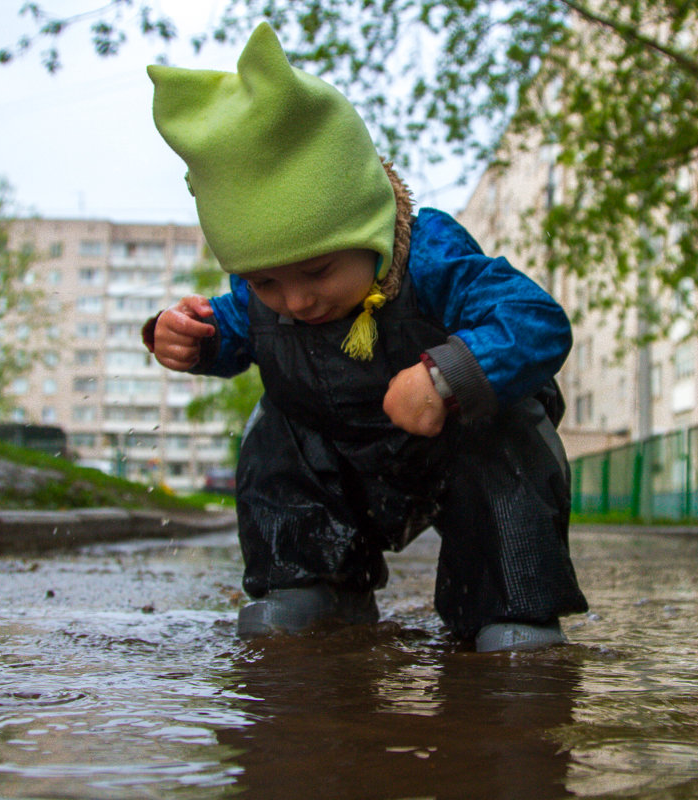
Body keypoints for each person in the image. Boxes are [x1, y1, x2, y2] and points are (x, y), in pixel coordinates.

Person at [142, 22, 588, 652]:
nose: (295, 300)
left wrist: (447, 375)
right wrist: (185, 338)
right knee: (274, 431)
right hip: (340, 461)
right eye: (266, 282)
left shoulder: (430, 252)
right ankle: (310, 580)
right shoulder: (258, 297)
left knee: (508, 430)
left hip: (452, 450)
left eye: (319, 271)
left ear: (369, 232)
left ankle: (508, 603)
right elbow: (231, 330)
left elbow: (536, 320)